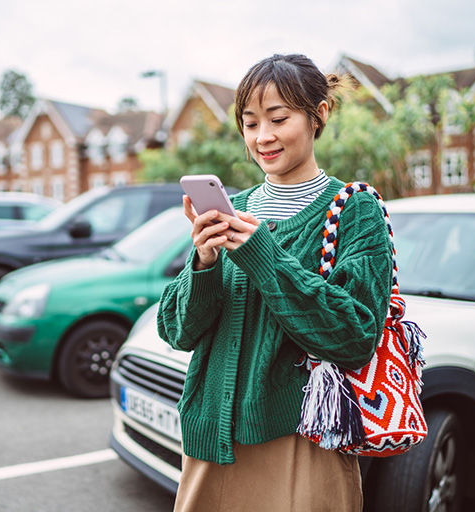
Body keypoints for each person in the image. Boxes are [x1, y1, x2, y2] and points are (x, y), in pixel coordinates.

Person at [157, 53, 394, 511]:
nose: (262, 137)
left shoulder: (354, 210)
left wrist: (262, 256)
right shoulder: (233, 206)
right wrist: (204, 262)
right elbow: (177, 331)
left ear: (318, 115)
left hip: (302, 441)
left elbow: (354, 336)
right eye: (250, 124)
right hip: (212, 441)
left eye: (278, 118)